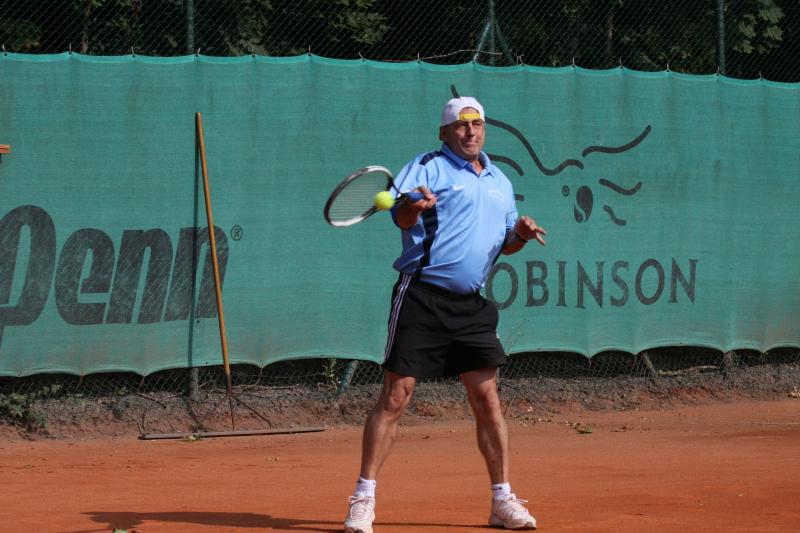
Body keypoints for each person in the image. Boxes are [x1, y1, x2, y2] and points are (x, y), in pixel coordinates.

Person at [344, 96, 546, 533]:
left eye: (477, 124)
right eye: (461, 125)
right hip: (421, 297)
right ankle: (363, 498)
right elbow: (401, 217)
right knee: (396, 396)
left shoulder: (500, 181)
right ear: (444, 132)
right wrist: (412, 208)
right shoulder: (426, 167)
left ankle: (502, 500)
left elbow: (506, 243)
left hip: (471, 304)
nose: (470, 131)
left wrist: (520, 235)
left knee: (487, 398)